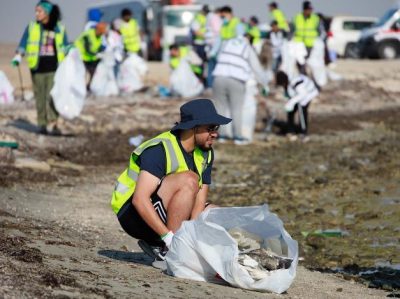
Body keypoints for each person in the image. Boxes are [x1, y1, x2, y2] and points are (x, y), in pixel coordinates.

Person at [111, 98, 231, 269]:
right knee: (189, 179)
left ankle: (175, 246)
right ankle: (169, 250)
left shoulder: (206, 153)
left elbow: (199, 201)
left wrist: (192, 237)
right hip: (133, 214)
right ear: (193, 128)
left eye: (216, 128)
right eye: (210, 128)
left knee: (215, 214)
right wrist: (169, 238)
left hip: (164, 209)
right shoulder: (160, 149)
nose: (215, 133)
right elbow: (140, 199)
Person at [12, 0, 69, 135]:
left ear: (47, 12)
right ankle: (42, 125)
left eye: (39, 11)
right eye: (36, 11)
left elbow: (65, 46)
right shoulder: (32, 26)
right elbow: (24, 43)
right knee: (40, 97)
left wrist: (72, 53)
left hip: (54, 68)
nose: (36, 14)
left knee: (52, 96)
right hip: (37, 68)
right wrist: (18, 56)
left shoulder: (59, 28)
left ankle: (54, 123)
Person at [212, 24, 269, 145]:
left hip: (218, 77)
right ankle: (237, 136)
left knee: (221, 108)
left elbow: (218, 56)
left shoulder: (226, 43)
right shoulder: (246, 47)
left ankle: (222, 136)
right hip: (236, 80)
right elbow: (256, 68)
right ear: (246, 36)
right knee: (236, 109)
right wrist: (265, 84)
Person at [275, 70, 318, 135]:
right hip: (301, 93)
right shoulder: (288, 81)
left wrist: (291, 102)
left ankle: (303, 131)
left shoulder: (295, 82)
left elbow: (303, 94)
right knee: (290, 111)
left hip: (309, 92)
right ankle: (290, 130)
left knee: (302, 108)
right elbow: (290, 92)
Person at [75, 22, 107, 90]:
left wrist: (102, 50)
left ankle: (88, 88)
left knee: (92, 73)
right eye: (101, 32)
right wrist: (97, 54)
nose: (102, 34)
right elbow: (88, 49)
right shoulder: (88, 35)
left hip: (90, 58)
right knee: (84, 75)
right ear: (98, 30)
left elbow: (97, 47)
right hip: (80, 57)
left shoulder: (99, 36)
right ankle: (82, 88)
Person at [293, 1, 320, 74]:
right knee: (299, 60)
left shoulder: (315, 18)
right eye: (309, 9)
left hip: (309, 44)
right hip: (299, 43)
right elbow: (293, 29)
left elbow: (319, 30)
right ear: (304, 9)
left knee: (305, 60)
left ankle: (304, 74)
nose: (310, 11)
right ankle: (303, 74)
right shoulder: (297, 17)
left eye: (311, 9)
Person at [204, 7, 222, 88]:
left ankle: (210, 84)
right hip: (214, 45)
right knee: (215, 67)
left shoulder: (208, 17)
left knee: (210, 67)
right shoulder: (215, 18)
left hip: (209, 45)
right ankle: (213, 85)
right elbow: (218, 31)